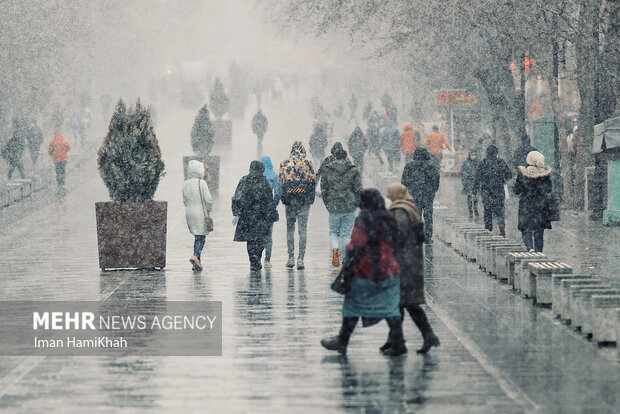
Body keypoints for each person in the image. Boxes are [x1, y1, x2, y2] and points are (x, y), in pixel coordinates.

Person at [320, 188, 406, 356]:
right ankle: (398, 342)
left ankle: (342, 340)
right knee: (390, 308)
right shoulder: (389, 218)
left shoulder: (365, 219)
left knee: (352, 306)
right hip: (389, 270)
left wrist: (350, 252)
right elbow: (398, 242)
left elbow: (357, 244)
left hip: (367, 270)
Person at [384, 184, 440, 354]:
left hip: (403, 265)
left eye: (389, 194)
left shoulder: (400, 212)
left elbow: (395, 237)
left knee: (399, 305)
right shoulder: (409, 208)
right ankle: (404, 340)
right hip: (410, 264)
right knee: (406, 305)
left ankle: (399, 343)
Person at [320, 146, 362, 267]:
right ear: (346, 157)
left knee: (333, 231)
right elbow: (358, 189)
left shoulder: (327, 170)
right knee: (346, 234)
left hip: (334, 205)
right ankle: (346, 258)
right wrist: (356, 203)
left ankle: (335, 249)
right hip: (349, 205)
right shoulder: (354, 170)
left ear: (334, 157)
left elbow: (324, 189)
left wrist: (327, 203)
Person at [232, 161, 277, 271]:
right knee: (260, 240)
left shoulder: (244, 180)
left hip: (247, 217)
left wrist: (237, 212)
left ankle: (253, 260)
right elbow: (269, 200)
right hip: (261, 217)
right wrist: (270, 214)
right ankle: (257, 258)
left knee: (250, 240)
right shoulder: (264, 181)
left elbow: (237, 197)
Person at [278, 141, 316, 269]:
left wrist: (284, 198)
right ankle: (301, 259)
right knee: (302, 230)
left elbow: (280, 183)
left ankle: (291, 257)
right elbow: (312, 182)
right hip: (304, 202)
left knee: (290, 229)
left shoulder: (284, 164)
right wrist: (310, 199)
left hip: (290, 202)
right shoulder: (308, 163)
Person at [514, 151, 553, 252]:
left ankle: (529, 247)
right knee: (539, 230)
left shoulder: (523, 174)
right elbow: (549, 189)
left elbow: (516, 190)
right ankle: (539, 252)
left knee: (526, 229)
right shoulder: (545, 174)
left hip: (526, 205)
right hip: (541, 205)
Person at [401, 147, 440, 243]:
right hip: (428, 195)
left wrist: (411, 188)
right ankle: (428, 237)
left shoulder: (409, 166)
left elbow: (404, 181)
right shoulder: (431, 166)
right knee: (428, 217)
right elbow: (436, 180)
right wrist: (432, 190)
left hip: (414, 195)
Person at [474, 144, 512, 236]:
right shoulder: (501, 162)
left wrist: (474, 191)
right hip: (499, 189)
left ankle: (488, 229)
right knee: (500, 210)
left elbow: (477, 178)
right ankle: (501, 225)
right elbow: (509, 175)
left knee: (487, 211)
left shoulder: (483, 163)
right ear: (496, 153)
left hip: (486, 190)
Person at [182, 160, 213, 271]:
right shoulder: (202, 183)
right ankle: (195, 256)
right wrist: (208, 210)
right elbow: (208, 200)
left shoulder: (185, 184)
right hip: (200, 212)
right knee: (201, 237)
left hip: (189, 212)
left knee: (197, 236)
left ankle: (197, 262)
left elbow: (185, 201)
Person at [261, 156, 280, 269]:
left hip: (258, 210)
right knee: (268, 235)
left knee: (258, 235)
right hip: (269, 209)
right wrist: (273, 205)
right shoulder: (273, 175)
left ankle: (256, 258)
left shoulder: (257, 175)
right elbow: (277, 194)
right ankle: (267, 260)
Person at [461, 149, 480, 219]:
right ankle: (470, 211)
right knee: (469, 196)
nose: (473, 156)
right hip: (468, 181)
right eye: (472, 154)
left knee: (476, 196)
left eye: (475, 155)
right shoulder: (465, 161)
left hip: (476, 181)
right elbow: (462, 170)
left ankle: (475, 209)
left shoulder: (477, 162)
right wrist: (467, 175)